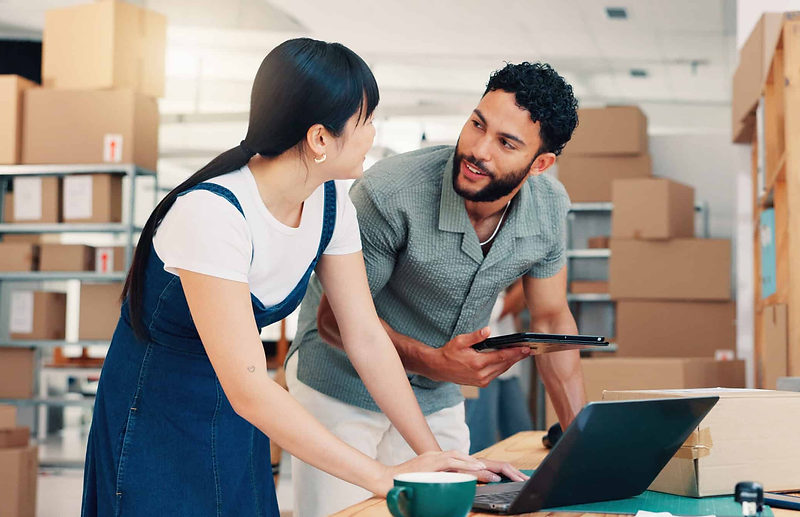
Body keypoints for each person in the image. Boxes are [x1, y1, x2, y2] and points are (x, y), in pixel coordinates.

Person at [81, 39, 487, 517]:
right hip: (159, 415)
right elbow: (250, 389)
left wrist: (431, 457)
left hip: (238, 412)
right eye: (366, 121)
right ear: (319, 138)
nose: (372, 135)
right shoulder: (212, 214)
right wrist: (383, 478)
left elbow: (364, 337)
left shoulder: (330, 204)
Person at [287, 61, 587, 515]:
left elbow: (550, 320)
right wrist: (434, 360)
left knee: (454, 506)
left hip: (434, 391)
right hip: (339, 380)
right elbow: (335, 321)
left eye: (506, 143)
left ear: (540, 163)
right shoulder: (392, 192)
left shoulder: (547, 210)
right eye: (477, 124)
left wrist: (581, 448)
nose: (478, 149)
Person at [464, 279, 534, 453]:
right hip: (481, 359)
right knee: (481, 439)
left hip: (505, 363)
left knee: (521, 433)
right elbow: (491, 313)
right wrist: (527, 283)